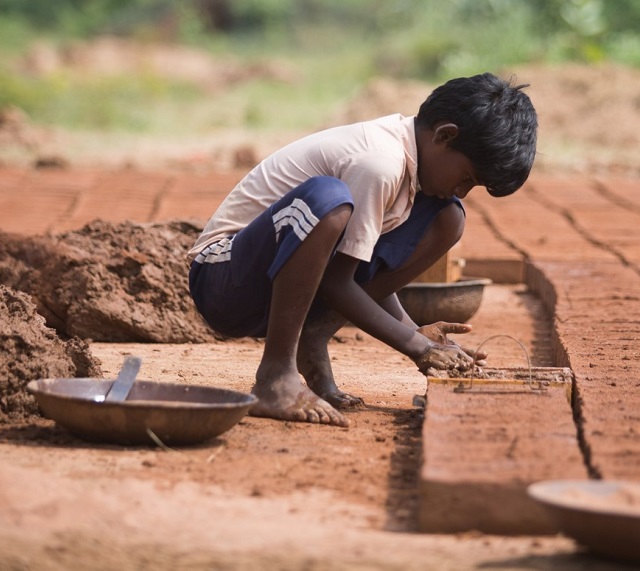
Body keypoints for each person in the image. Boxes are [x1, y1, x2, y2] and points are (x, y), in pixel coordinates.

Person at [187, 72, 537, 427]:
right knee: (327, 201)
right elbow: (337, 283)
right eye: (466, 178)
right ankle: (276, 375)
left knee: (448, 218)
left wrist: (416, 331)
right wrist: (417, 347)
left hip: (279, 290)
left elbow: (353, 270)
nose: (462, 191)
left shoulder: (409, 172)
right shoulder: (379, 163)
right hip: (225, 280)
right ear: (444, 136)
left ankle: (314, 334)